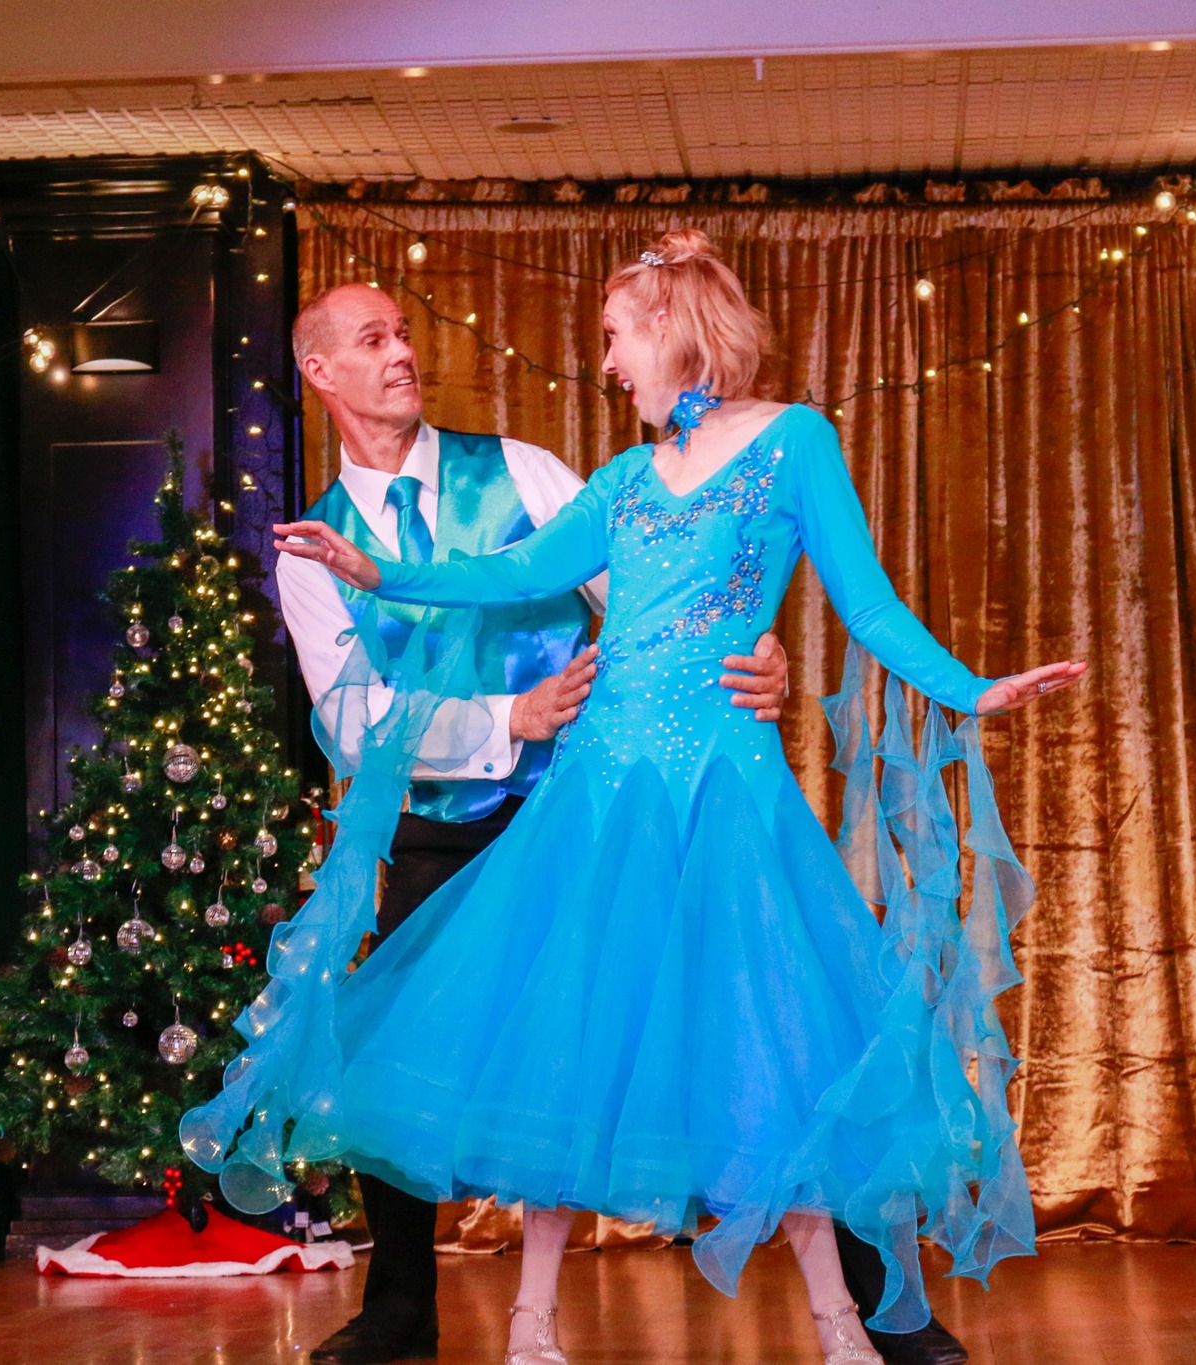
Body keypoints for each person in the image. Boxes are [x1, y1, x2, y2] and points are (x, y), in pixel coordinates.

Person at [186, 232, 1085, 1364]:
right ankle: (474, 1316)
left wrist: (959, 687)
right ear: (321, 371)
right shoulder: (610, 480)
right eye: (375, 339)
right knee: (533, 1039)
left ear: (666, 325)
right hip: (570, 793)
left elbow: (855, 602)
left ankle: (852, 1318)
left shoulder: (763, 444)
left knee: (774, 1025)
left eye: (614, 339)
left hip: (708, 786)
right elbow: (473, 608)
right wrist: (377, 572)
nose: (607, 366)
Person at [272, 281, 792, 1365]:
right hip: (443, 825)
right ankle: (401, 1307)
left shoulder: (522, 470)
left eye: (405, 333)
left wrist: (749, 645)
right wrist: (503, 718)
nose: (402, 354)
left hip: (591, 805)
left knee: (753, 1005)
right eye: (372, 340)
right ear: (320, 372)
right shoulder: (312, 550)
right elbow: (352, 723)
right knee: (393, 1040)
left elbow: (654, 595)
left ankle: (878, 1303)